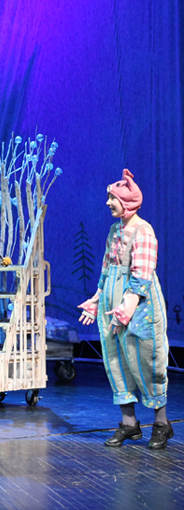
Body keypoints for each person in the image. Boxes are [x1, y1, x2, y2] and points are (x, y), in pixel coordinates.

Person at [78, 169, 172, 449]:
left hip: (139, 303)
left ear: (128, 202)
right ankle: (129, 423)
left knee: (146, 359)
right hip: (112, 298)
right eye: (109, 198)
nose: (108, 203)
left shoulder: (143, 231)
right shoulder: (114, 230)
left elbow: (142, 275)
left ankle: (162, 424)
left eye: (113, 198)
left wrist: (127, 306)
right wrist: (97, 299)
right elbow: (107, 269)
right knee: (116, 359)